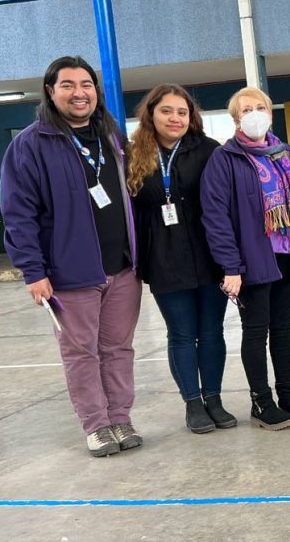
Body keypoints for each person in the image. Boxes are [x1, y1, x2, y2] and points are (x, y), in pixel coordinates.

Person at [0, 56, 143, 457]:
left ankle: (120, 417)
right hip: (69, 273)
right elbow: (18, 214)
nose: (79, 93)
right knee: (81, 352)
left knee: (118, 348)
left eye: (86, 85)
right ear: (51, 91)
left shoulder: (112, 137)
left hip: (122, 268)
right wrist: (33, 271)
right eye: (68, 85)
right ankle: (96, 425)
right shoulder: (29, 145)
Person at [201, 87, 290, 431]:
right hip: (251, 260)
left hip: (286, 255)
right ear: (236, 118)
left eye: (260, 106)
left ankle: (288, 395)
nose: (254, 113)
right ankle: (261, 401)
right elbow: (215, 216)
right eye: (246, 109)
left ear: (270, 112)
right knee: (255, 331)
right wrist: (230, 266)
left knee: (282, 329)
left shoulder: (282, 153)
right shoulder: (225, 158)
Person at [126, 84, 237, 434]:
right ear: (151, 114)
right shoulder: (133, 155)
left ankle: (214, 400)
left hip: (208, 255)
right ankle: (192, 403)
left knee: (211, 331)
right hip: (163, 258)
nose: (175, 118)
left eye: (182, 112)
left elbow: (227, 206)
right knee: (182, 334)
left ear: (192, 117)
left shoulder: (209, 151)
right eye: (167, 111)